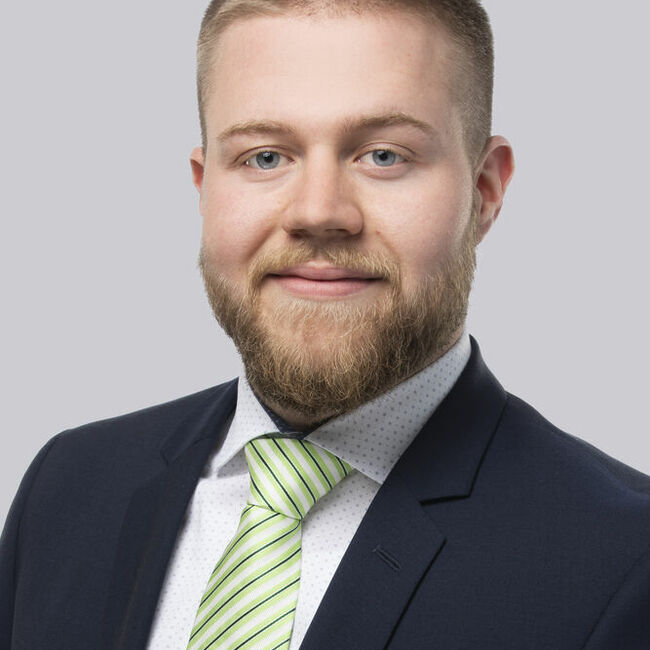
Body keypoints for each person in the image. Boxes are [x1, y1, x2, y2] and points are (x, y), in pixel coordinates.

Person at [1, 0, 649, 648]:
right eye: (264, 157)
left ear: (485, 191)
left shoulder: (623, 560)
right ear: (204, 187)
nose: (318, 212)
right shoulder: (67, 487)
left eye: (384, 155)